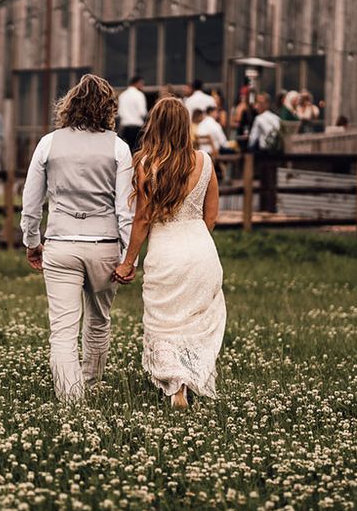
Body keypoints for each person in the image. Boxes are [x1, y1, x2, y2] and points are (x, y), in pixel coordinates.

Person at [20, 74, 134, 401]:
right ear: (108, 107)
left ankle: (71, 399)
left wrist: (32, 242)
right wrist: (130, 259)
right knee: (99, 321)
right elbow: (125, 210)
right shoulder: (118, 147)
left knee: (63, 330)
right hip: (105, 247)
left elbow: (31, 204)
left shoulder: (48, 143)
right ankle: (92, 385)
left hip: (60, 244)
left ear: (69, 104)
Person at [112, 98, 226, 409]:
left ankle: (176, 383)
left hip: (166, 252)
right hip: (201, 250)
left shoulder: (146, 164)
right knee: (193, 321)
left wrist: (128, 262)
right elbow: (212, 217)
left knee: (165, 322)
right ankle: (187, 378)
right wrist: (196, 241)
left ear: (155, 125)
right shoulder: (205, 161)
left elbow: (143, 220)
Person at [117, 75, 147, 151]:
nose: (142, 86)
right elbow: (142, 112)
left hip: (126, 129)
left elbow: (120, 112)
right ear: (137, 83)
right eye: (142, 83)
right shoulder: (139, 95)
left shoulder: (122, 95)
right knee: (137, 151)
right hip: (137, 128)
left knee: (127, 151)